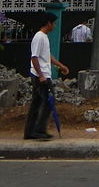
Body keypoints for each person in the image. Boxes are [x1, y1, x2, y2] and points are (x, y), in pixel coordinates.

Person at [24, 12, 69, 140]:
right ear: (48, 23)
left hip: (42, 74)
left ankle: (30, 131)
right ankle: (39, 130)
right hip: (41, 76)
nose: (54, 26)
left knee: (36, 103)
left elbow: (47, 56)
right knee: (48, 102)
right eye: (54, 23)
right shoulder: (39, 37)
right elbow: (34, 57)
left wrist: (61, 66)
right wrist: (41, 75)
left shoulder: (44, 37)